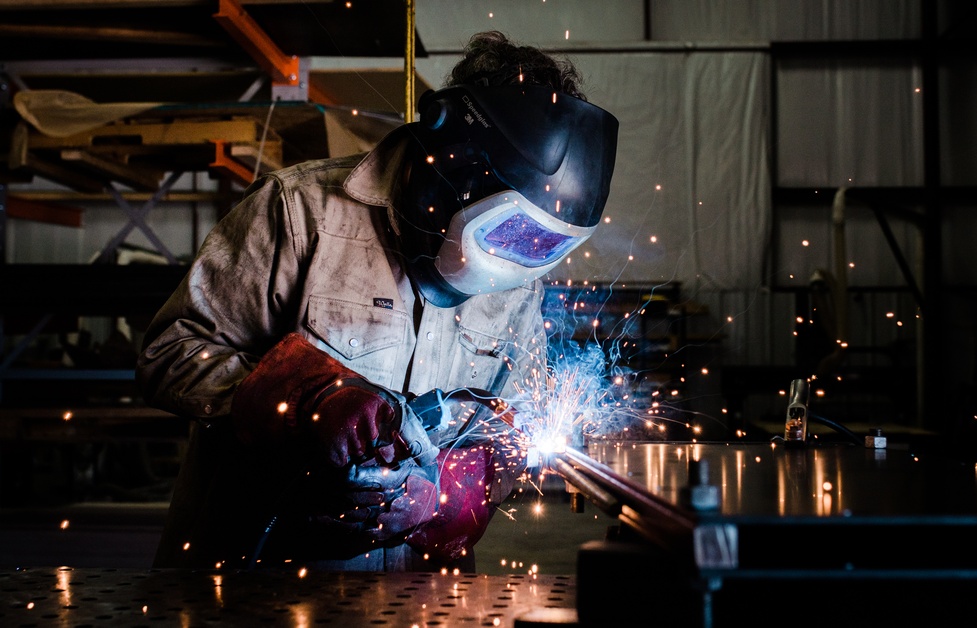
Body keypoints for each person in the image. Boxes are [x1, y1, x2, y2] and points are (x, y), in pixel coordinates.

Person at [136, 30, 619, 572]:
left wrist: (449, 497)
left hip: (419, 595)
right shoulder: (300, 214)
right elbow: (168, 352)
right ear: (450, 165)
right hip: (255, 577)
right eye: (504, 231)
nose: (515, 259)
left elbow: (515, 429)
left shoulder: (519, 279)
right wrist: (308, 398)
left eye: (537, 245)